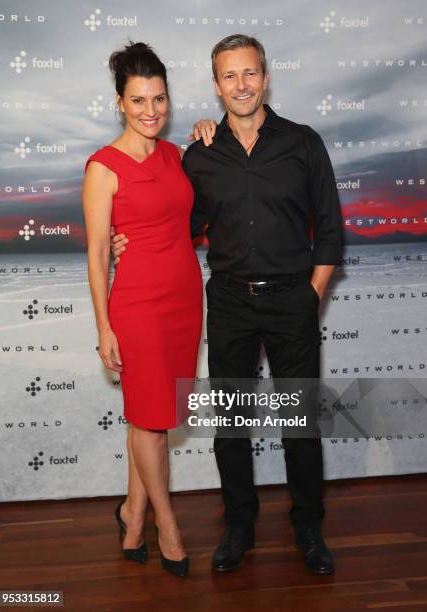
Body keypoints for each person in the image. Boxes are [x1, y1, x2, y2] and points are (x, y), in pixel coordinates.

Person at [111, 34, 343, 575]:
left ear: (265, 77)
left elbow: (330, 231)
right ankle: (238, 524)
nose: (241, 85)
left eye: (249, 73)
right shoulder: (200, 154)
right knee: (232, 423)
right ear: (216, 86)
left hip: (293, 302)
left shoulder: (304, 143)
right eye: (229, 76)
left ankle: (308, 526)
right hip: (230, 303)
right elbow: (176, 224)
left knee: (300, 424)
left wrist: (310, 296)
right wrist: (127, 241)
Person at [82, 41, 215, 577]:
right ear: (120, 102)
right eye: (139, 101)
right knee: (150, 419)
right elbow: (95, 256)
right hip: (136, 303)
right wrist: (103, 328)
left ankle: (132, 516)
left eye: (159, 99)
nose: (151, 111)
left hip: (185, 296)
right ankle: (169, 526)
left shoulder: (177, 156)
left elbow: (196, 216)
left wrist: (212, 130)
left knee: (151, 417)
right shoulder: (102, 167)